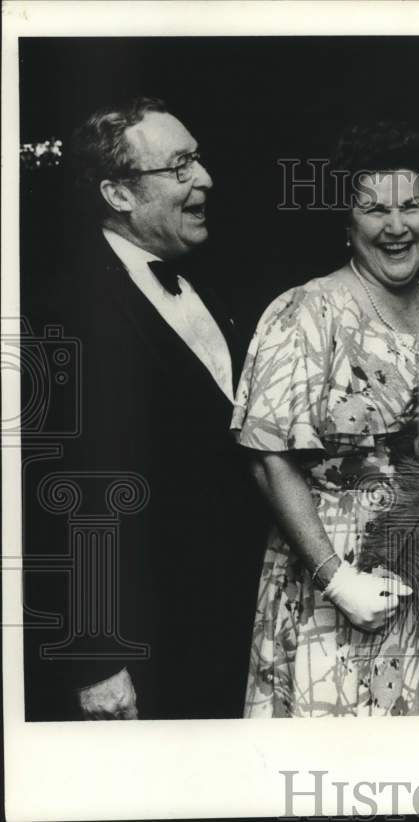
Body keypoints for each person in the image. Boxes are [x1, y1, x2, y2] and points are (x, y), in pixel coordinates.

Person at [23, 97, 265, 720]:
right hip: (147, 645)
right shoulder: (65, 311)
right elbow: (59, 497)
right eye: (180, 166)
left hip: (237, 620)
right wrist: (95, 660)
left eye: (199, 160)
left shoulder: (211, 277)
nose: (204, 179)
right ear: (119, 195)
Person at [232, 122, 419, 717]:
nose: (395, 227)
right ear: (346, 223)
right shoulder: (306, 310)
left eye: (411, 206)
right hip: (339, 581)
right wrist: (337, 580)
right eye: (373, 209)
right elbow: (268, 458)